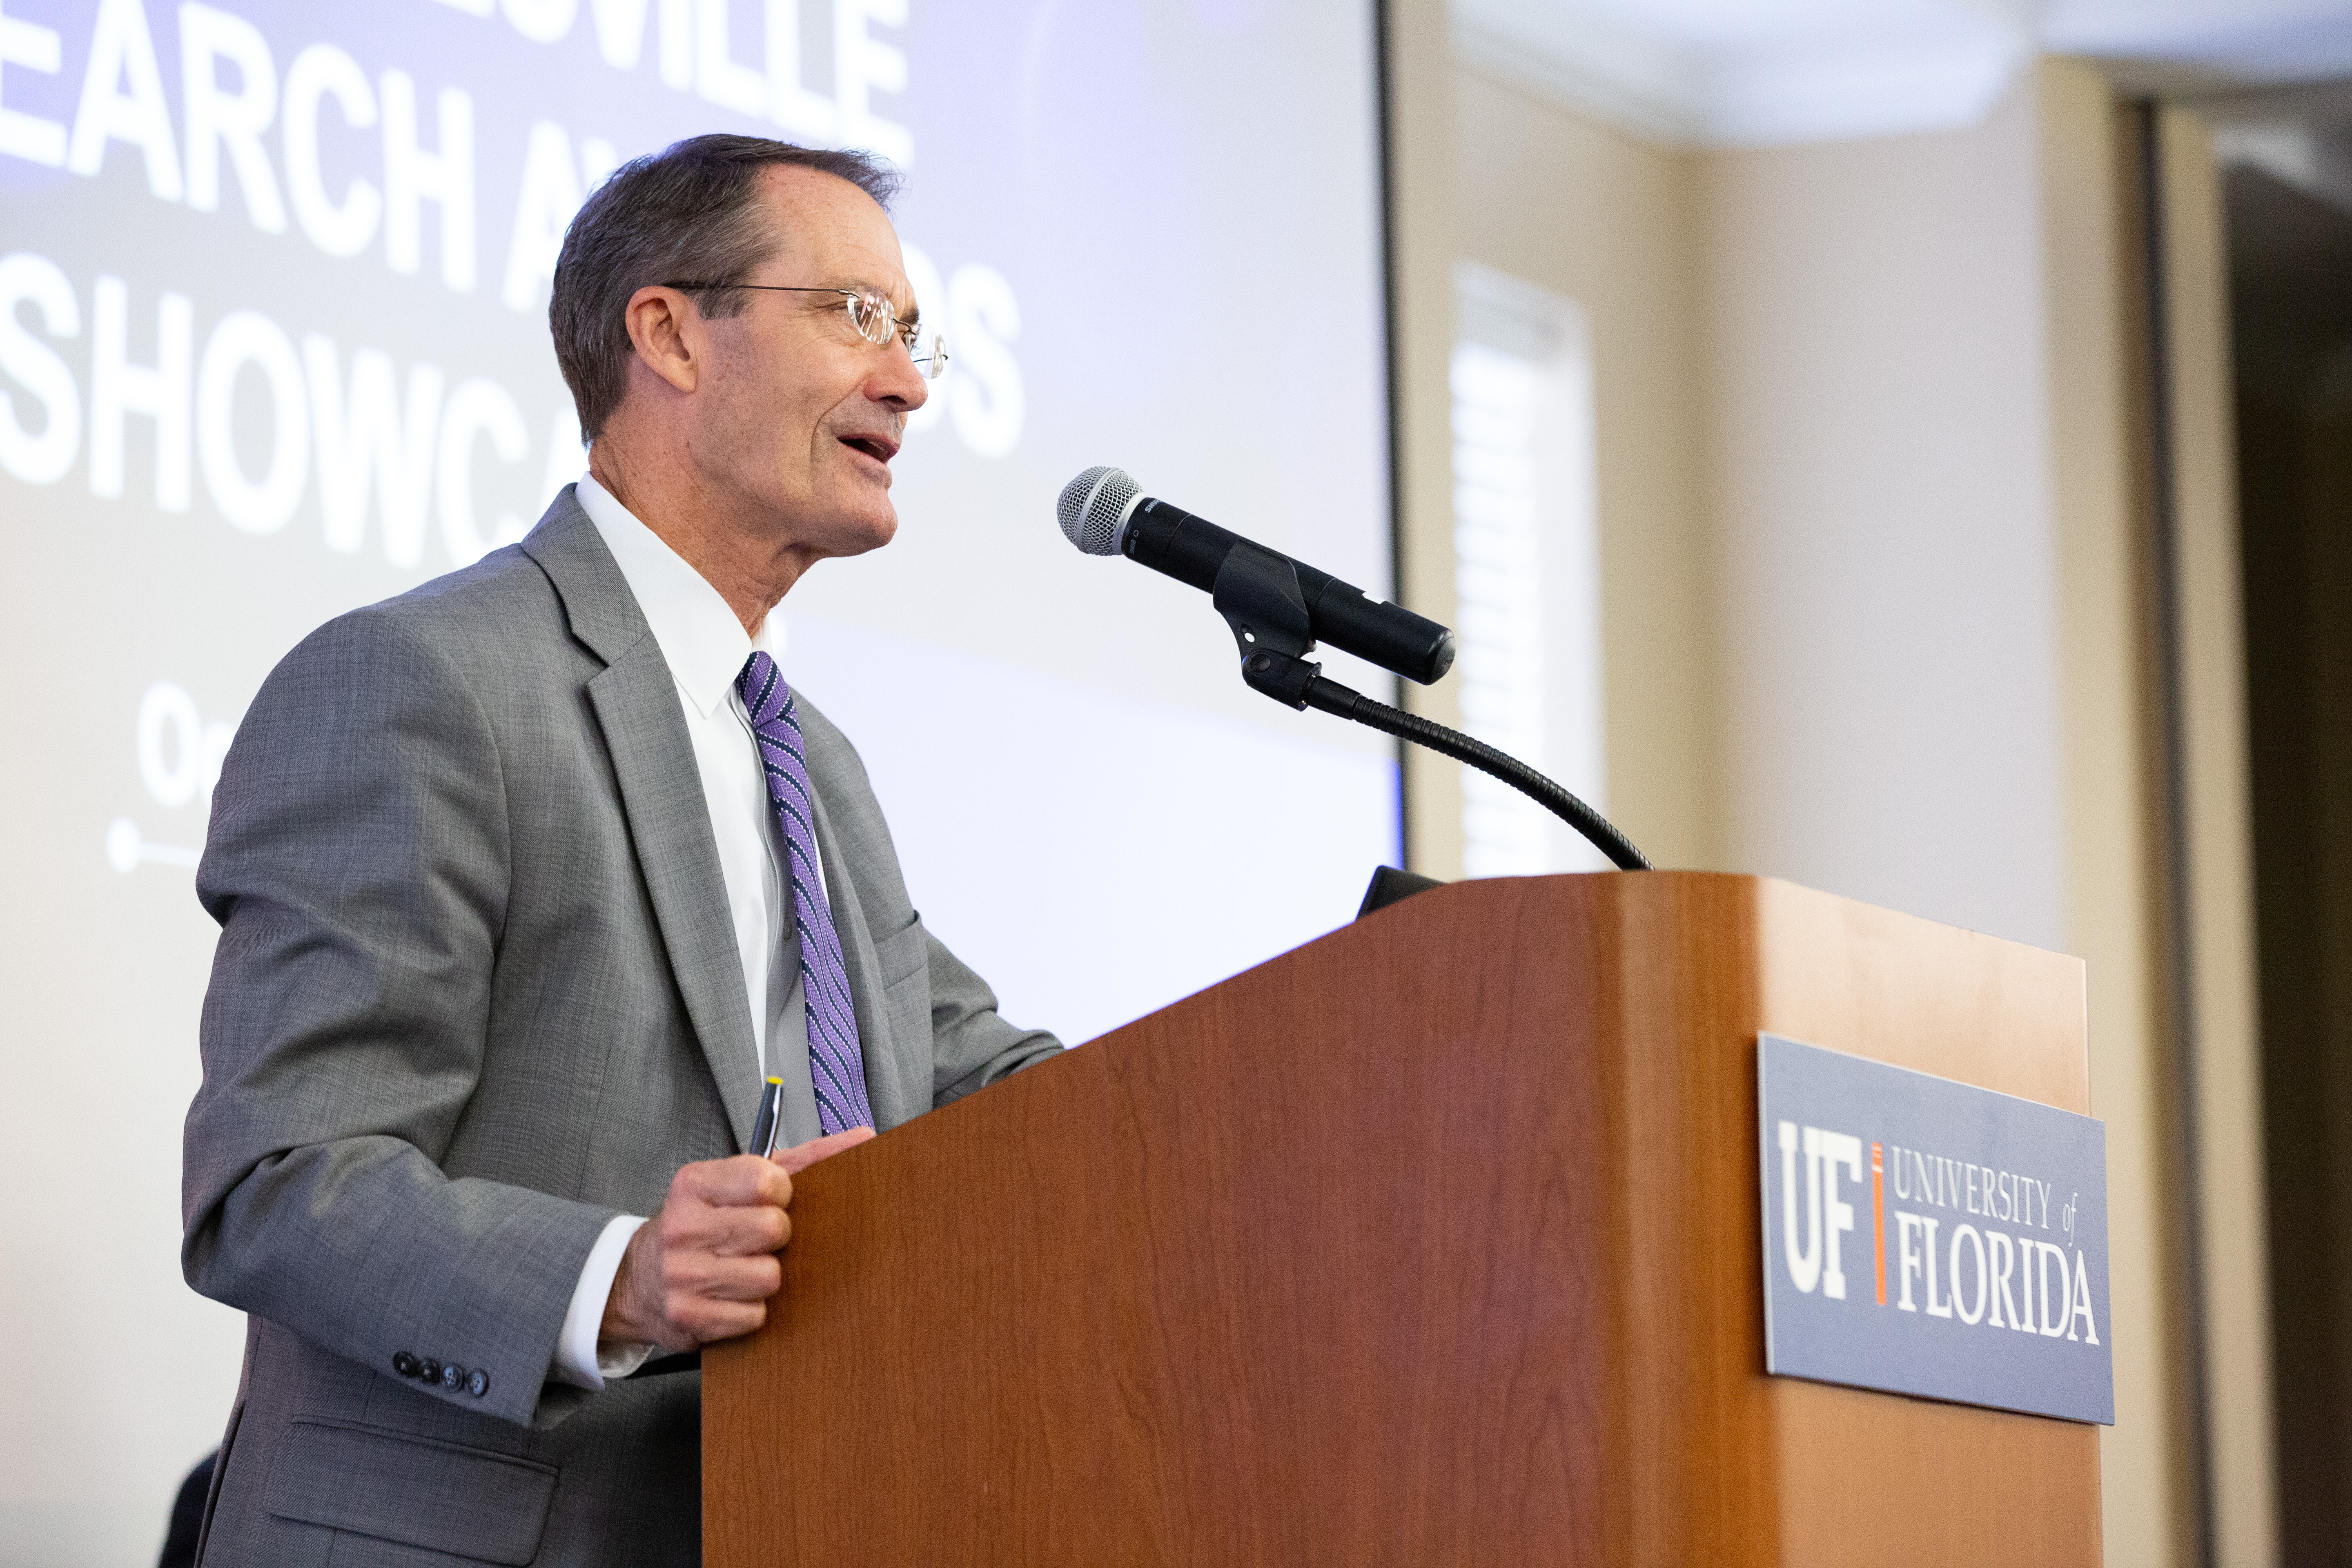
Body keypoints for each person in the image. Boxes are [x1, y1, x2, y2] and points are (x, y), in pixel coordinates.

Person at [180, 134, 1061, 1567]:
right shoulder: (427, 683)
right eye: (854, 316)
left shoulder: (809, 762)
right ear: (668, 334)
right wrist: (625, 1275)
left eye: (913, 337)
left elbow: (987, 1087)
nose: (905, 379)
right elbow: (276, 1183)